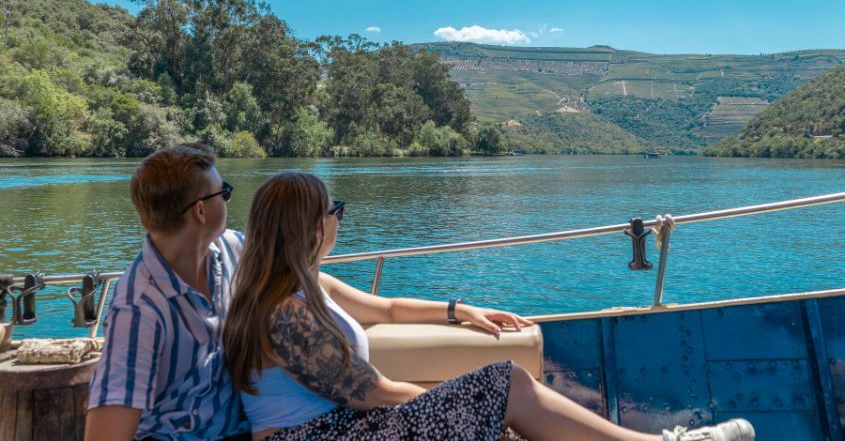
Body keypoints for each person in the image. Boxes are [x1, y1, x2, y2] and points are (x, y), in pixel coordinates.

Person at [222, 171, 756, 441]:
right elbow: (372, 392)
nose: (340, 218)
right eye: (335, 209)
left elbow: (385, 310)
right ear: (313, 225)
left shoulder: (306, 284)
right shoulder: (282, 310)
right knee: (505, 384)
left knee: (498, 391)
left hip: (340, 427)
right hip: (319, 438)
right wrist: (474, 402)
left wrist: (459, 309)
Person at [85, 144, 250, 441]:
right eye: (224, 192)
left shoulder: (231, 249)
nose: (227, 198)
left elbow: (296, 274)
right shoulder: (138, 310)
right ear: (201, 210)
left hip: (243, 427)